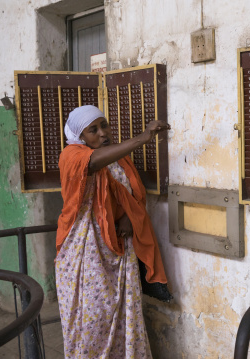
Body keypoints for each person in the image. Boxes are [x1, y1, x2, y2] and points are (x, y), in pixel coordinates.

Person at [55, 105, 171, 358]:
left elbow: (134, 193)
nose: (103, 133)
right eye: (93, 130)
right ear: (80, 136)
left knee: (122, 309)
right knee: (92, 317)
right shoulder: (72, 155)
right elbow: (93, 163)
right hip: (86, 249)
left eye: (104, 125)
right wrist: (143, 137)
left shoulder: (118, 156)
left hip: (119, 247)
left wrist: (130, 217)